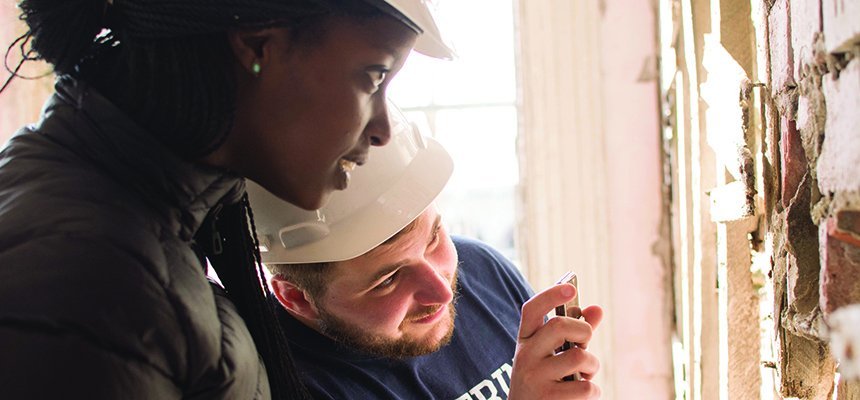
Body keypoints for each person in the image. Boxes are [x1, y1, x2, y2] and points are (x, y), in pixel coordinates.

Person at [0, 1, 453, 399]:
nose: (382, 131)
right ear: (257, 47)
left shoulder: (152, 228)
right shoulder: (90, 289)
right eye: (374, 78)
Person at [247, 118, 603, 399]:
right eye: (388, 280)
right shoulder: (278, 383)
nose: (443, 291)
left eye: (433, 239)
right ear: (296, 298)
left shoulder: (482, 267)